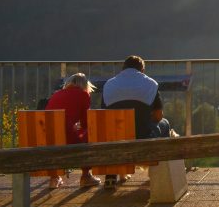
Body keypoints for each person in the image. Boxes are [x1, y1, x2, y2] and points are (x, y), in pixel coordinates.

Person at [101, 56, 173, 187]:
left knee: (114, 131)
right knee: (165, 123)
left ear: (123, 69)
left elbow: (104, 116)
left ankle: (111, 175)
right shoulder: (151, 84)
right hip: (142, 138)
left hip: (114, 141)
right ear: (142, 70)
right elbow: (158, 116)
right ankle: (159, 176)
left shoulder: (109, 84)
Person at [44, 73, 101, 188]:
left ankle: (54, 178)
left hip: (47, 135)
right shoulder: (83, 95)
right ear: (85, 85)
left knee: (59, 138)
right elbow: (86, 123)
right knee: (90, 135)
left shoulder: (56, 94)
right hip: (67, 137)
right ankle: (86, 176)